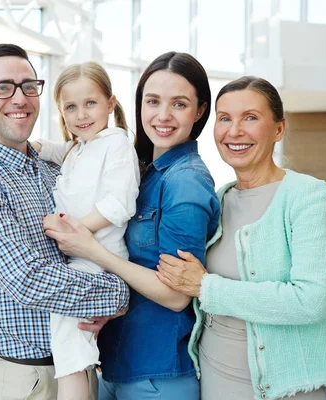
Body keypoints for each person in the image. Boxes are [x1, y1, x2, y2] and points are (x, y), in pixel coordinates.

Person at [0, 45, 129, 400]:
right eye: (2, 88)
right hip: (26, 380)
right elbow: (28, 280)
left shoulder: (53, 168)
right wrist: (121, 294)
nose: (19, 98)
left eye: (28, 86)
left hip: (79, 362)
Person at [155, 76, 326, 400]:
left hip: (287, 388)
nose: (235, 131)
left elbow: (310, 301)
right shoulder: (218, 199)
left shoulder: (307, 195)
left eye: (250, 117)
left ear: (278, 129)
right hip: (214, 377)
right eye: (225, 118)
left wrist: (206, 287)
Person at [44, 51, 220, 400]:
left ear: (200, 111)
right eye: (152, 101)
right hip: (119, 364)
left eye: (180, 104)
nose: (163, 115)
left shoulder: (185, 181)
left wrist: (91, 250)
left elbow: (175, 296)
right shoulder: (144, 169)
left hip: (156, 376)